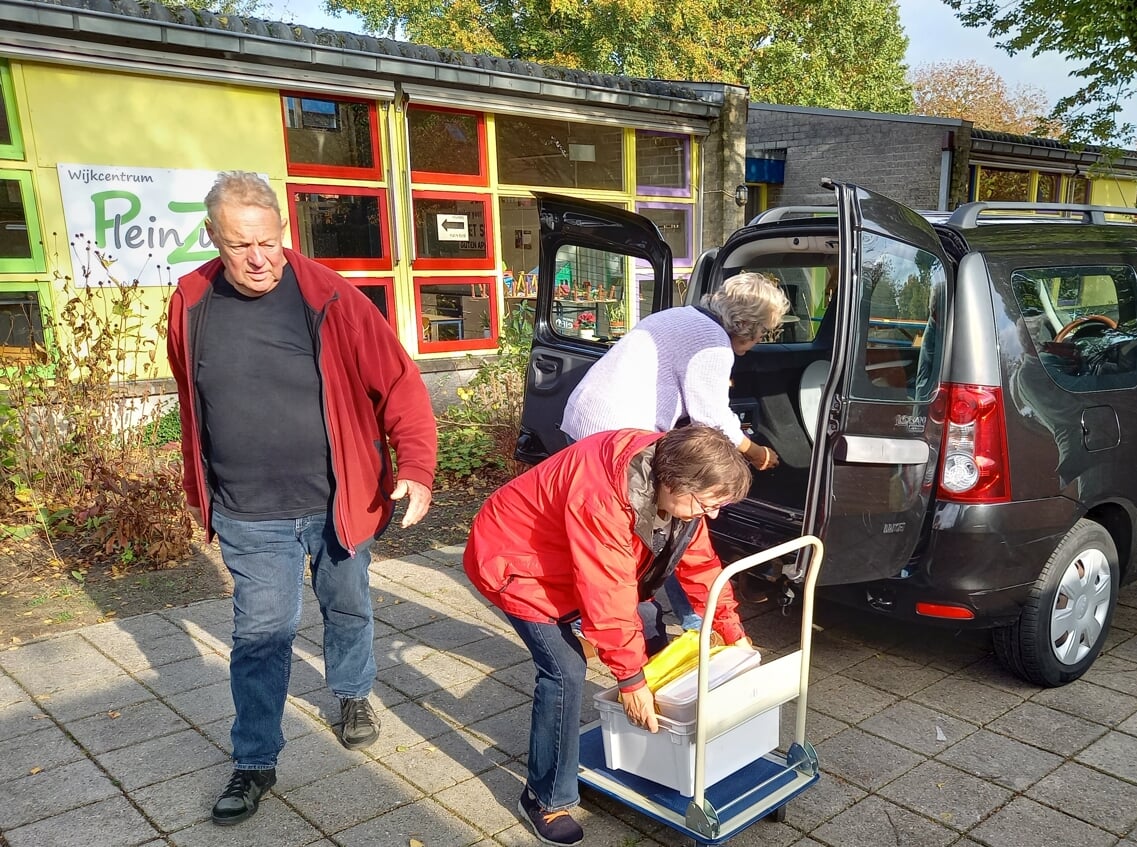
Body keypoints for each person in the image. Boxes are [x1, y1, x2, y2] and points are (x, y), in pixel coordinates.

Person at [166, 171, 438, 825]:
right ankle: (255, 759)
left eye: (269, 242)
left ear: (283, 233)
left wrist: (418, 468)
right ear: (213, 238)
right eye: (240, 245)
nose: (258, 258)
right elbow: (190, 396)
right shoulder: (190, 300)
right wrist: (197, 485)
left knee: (346, 606)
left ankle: (350, 692)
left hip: (336, 501)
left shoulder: (330, 297)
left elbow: (399, 384)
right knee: (261, 633)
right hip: (247, 508)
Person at [464, 426, 754, 846]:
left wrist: (732, 630)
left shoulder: (676, 477)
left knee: (649, 626)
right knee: (564, 671)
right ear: (672, 483)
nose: (711, 515)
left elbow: (701, 564)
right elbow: (607, 587)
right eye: (706, 505)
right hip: (517, 562)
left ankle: (654, 752)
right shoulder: (602, 492)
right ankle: (546, 798)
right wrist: (630, 679)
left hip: (571, 558)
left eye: (717, 505)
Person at [561, 271, 789, 630]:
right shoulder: (712, 343)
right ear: (748, 326)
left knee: (617, 527)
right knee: (674, 522)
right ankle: (692, 619)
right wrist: (756, 453)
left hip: (586, 420)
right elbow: (712, 419)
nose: (761, 340)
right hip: (617, 435)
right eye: (763, 331)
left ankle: (602, 612)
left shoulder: (681, 316)